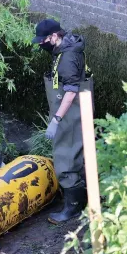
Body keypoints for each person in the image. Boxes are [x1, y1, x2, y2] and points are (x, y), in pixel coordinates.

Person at [32, 19, 94, 224]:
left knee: (66, 155)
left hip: (70, 112)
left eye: (44, 40)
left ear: (55, 36)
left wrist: (57, 119)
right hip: (75, 109)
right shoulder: (67, 47)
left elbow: (71, 90)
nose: (41, 44)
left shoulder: (67, 57)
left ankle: (73, 208)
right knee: (79, 151)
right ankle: (85, 196)